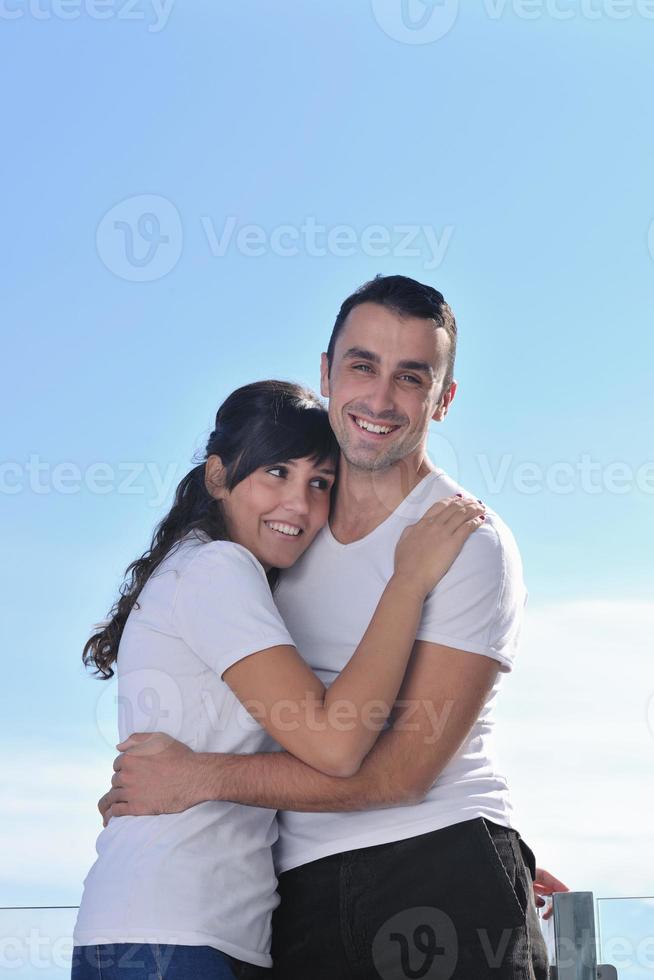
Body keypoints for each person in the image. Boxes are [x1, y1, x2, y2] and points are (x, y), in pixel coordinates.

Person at [101, 276, 565, 979]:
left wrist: (200, 778)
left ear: (443, 399)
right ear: (325, 373)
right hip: (293, 898)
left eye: (411, 378)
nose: (380, 400)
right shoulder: (284, 531)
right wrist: (153, 786)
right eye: (362, 366)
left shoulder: (466, 540)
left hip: (439, 861)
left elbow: (404, 776)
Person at [72, 378, 486, 980]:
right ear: (218, 477)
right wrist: (409, 581)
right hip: (174, 933)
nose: (299, 503)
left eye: (319, 482)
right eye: (276, 474)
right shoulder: (217, 568)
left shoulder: (204, 568)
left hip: (181, 928)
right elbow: (337, 743)